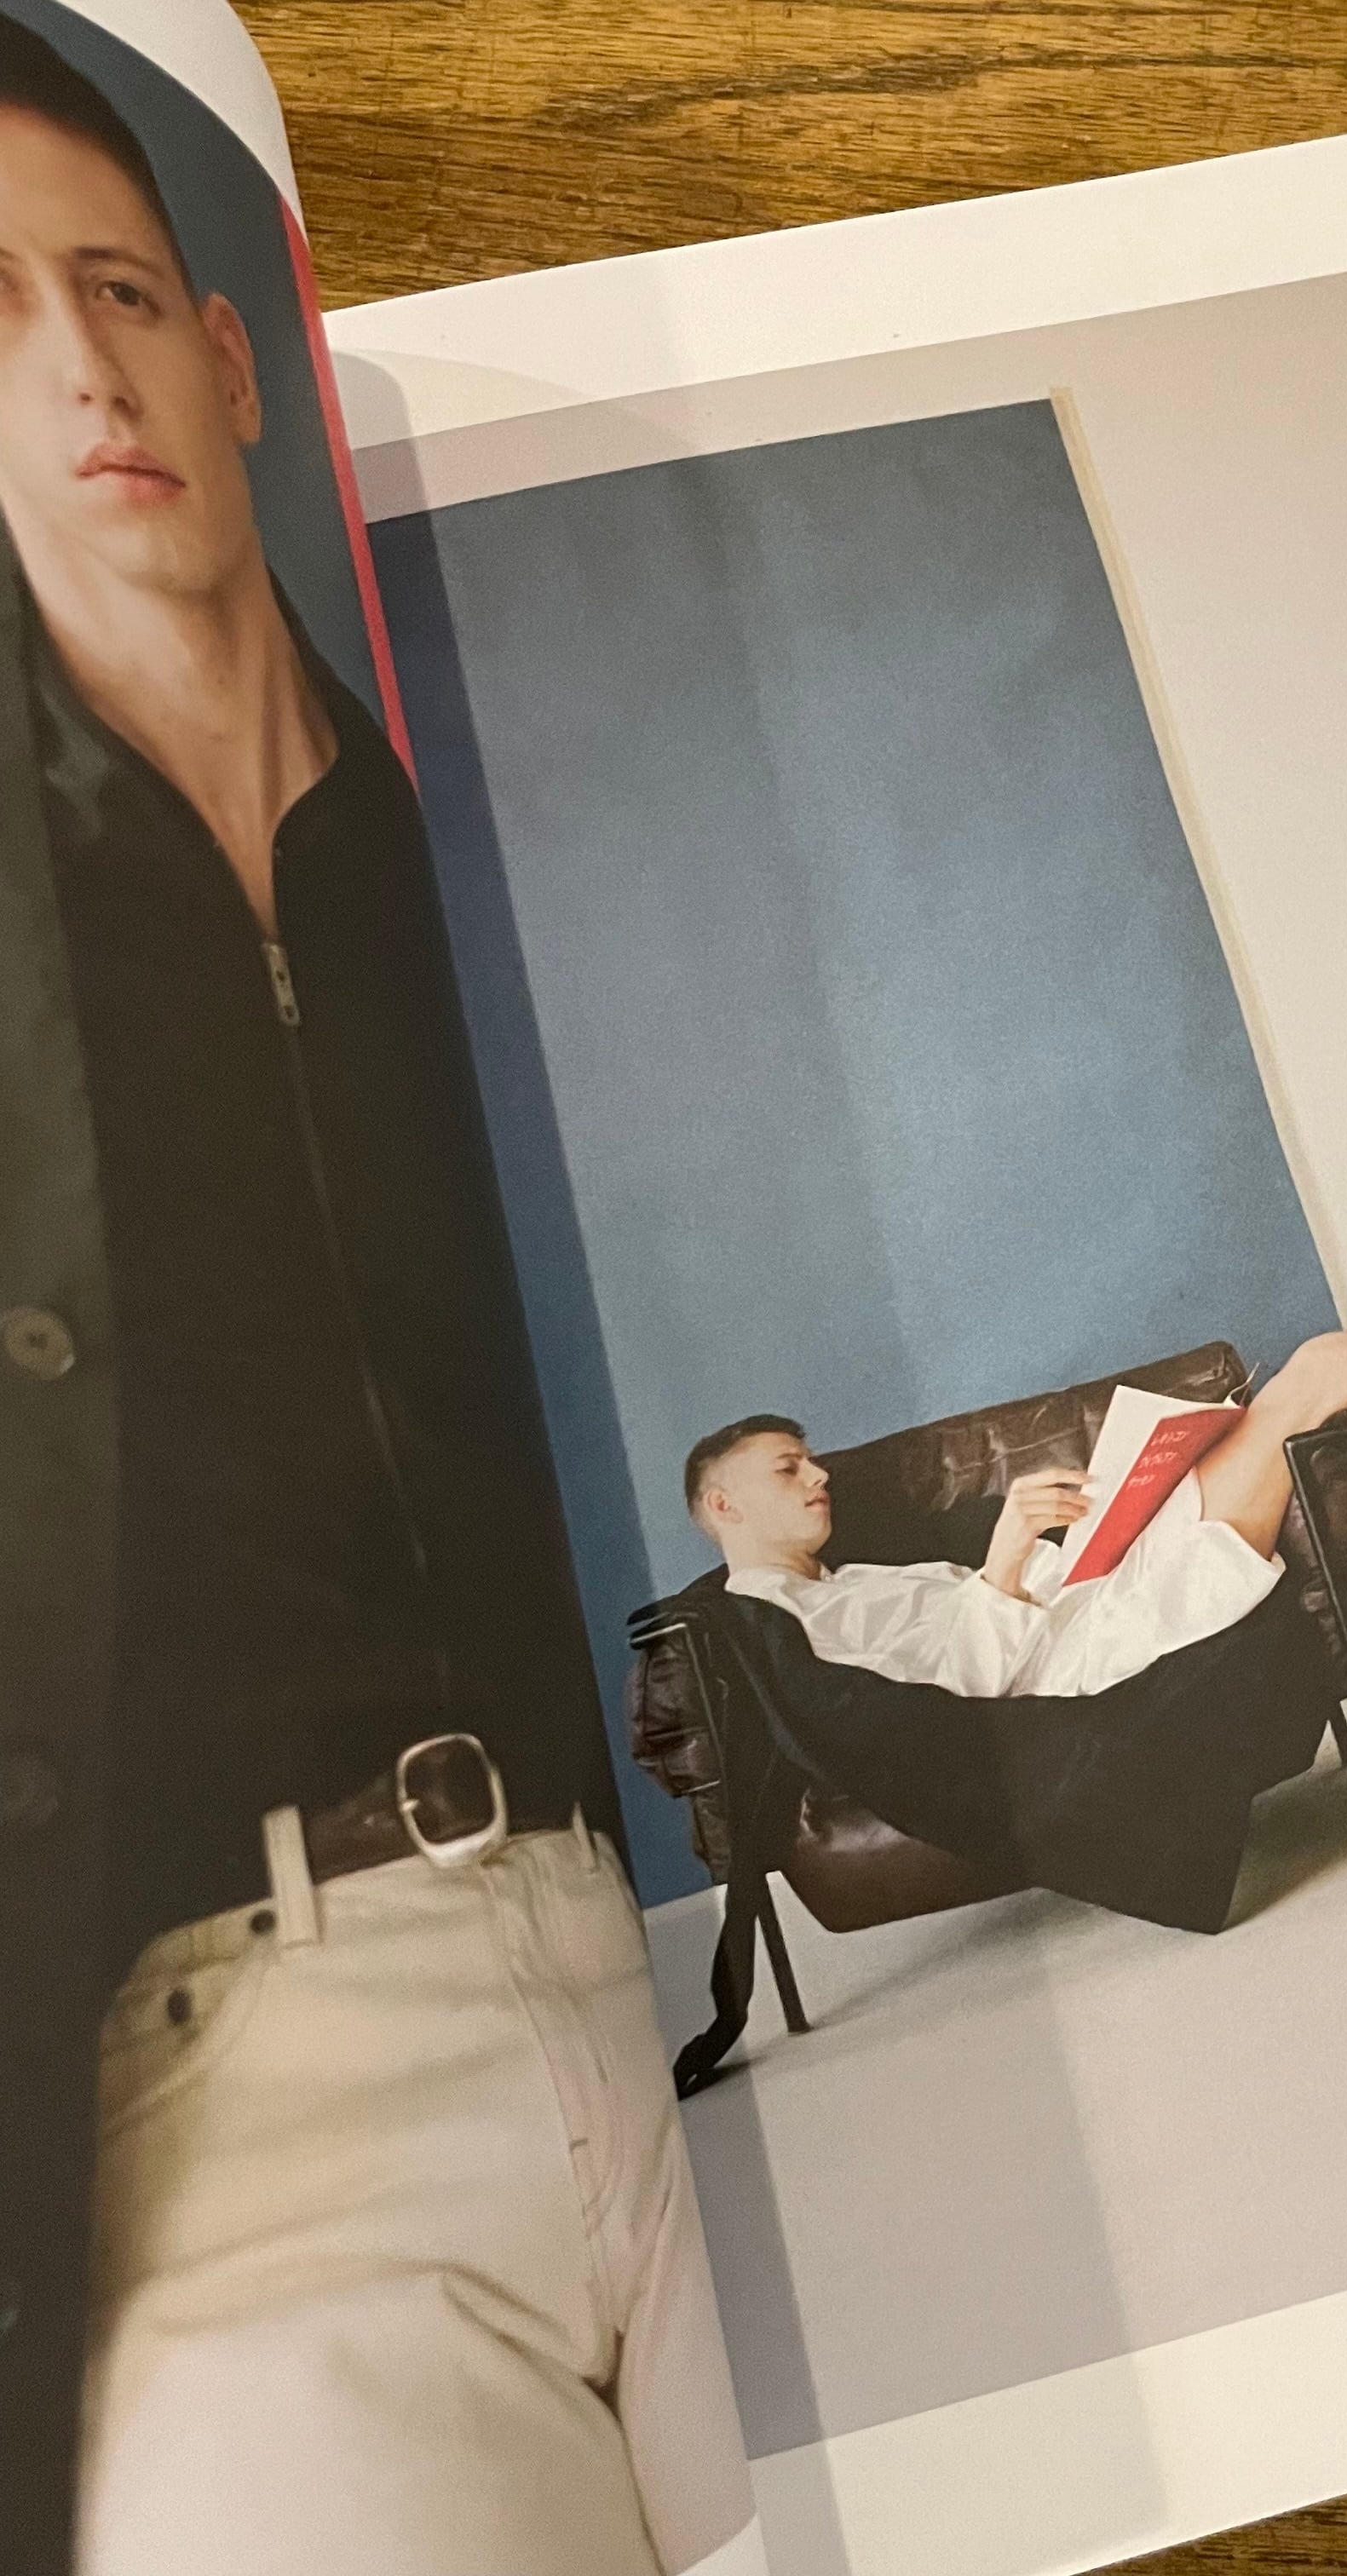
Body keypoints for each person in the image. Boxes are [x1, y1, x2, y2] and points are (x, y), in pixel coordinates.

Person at [0, 24, 751, 2574]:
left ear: (235, 357)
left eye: (119, 288)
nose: (81, 367)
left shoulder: (472, 818)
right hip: (252, 2124)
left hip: (662, 1968)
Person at [689, 1101, 1347, 1696]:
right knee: (1327, 1368)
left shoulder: (837, 1588)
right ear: (722, 1504)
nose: (818, 1474)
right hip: (1107, 1637)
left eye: (808, 1454)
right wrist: (1010, 1554)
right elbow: (969, 1692)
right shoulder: (778, 1629)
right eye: (787, 1468)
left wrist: (1077, 1531)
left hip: (1100, 1589)